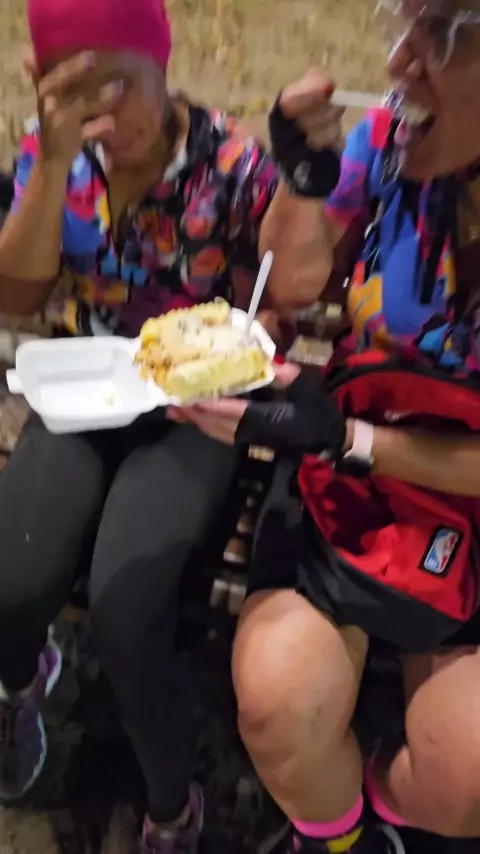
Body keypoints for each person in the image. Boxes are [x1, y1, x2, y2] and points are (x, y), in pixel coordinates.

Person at [173, 1, 480, 852]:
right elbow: (290, 287)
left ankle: (390, 806)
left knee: (465, 779)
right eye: (404, 27)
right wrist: (301, 187)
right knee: (278, 704)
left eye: (443, 38)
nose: (400, 63)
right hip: (345, 474)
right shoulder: (387, 141)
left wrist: (352, 440)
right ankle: (343, 836)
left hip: (429, 478)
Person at [0, 0, 283, 850]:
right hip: (84, 386)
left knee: (129, 609)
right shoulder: (54, 154)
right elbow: (16, 297)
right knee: (10, 578)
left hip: (190, 408)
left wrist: (239, 350)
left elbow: (279, 305)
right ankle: (25, 681)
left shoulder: (230, 165)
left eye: (121, 84)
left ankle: (171, 803)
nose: (106, 116)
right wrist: (52, 164)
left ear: (162, 63)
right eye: (78, 92)